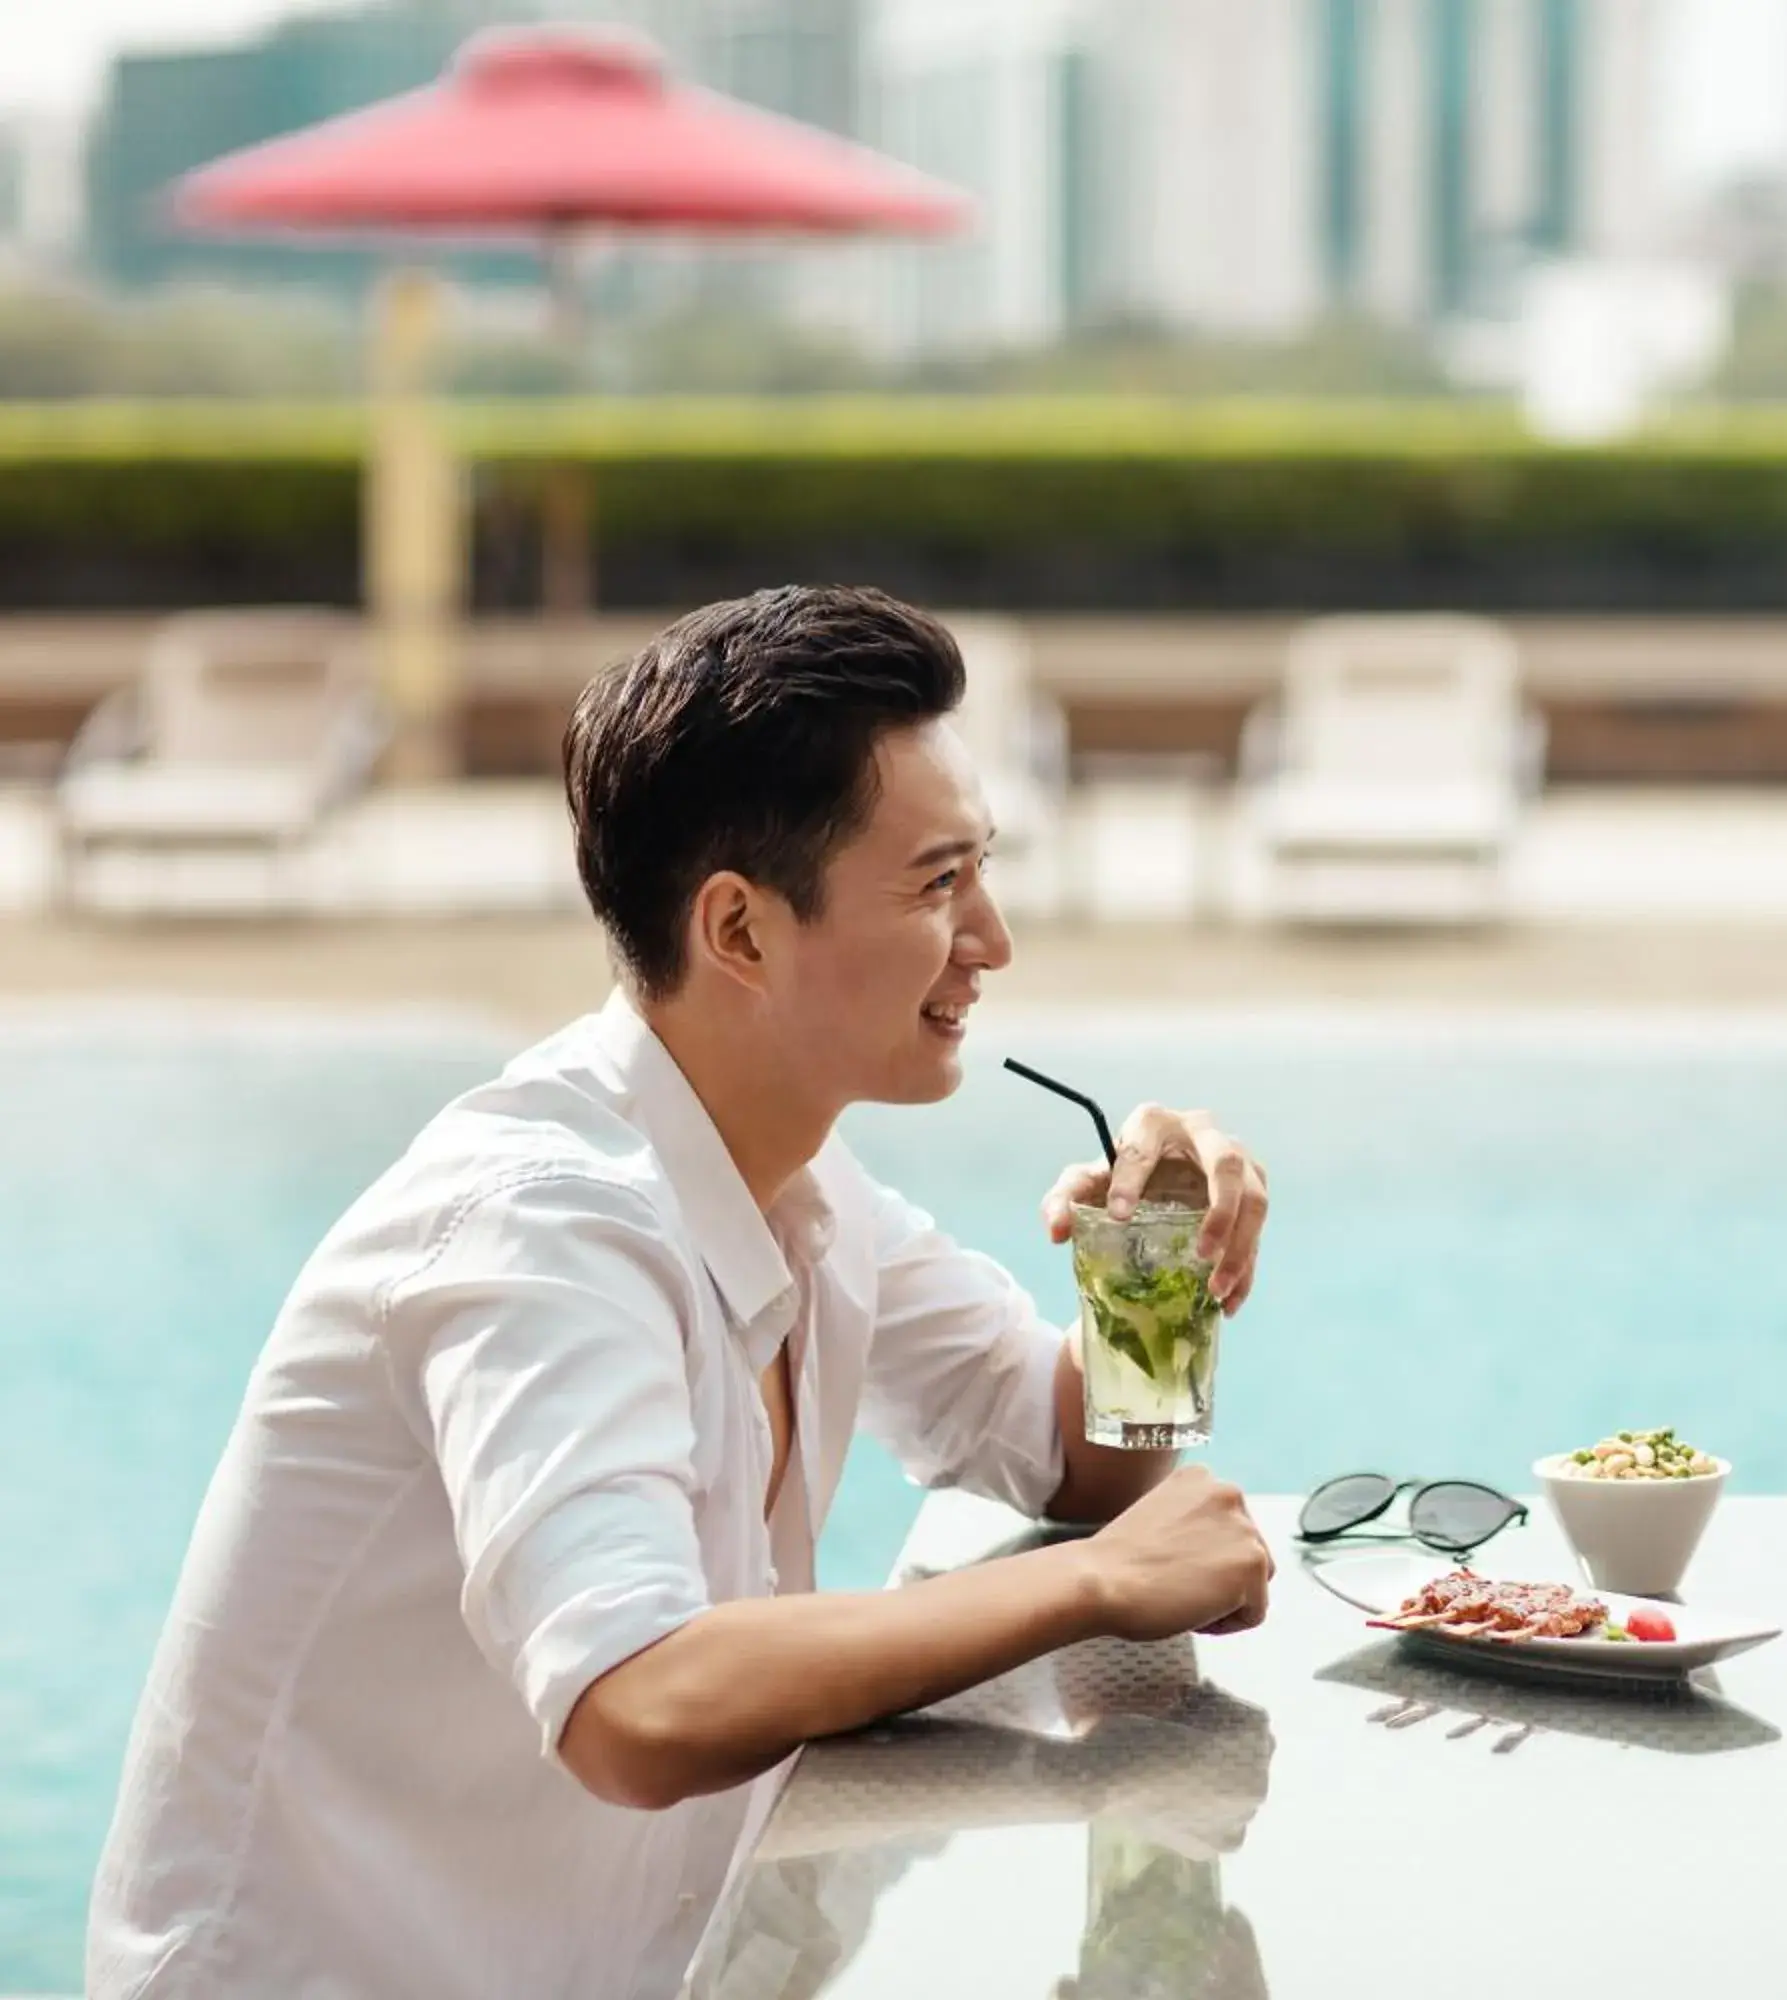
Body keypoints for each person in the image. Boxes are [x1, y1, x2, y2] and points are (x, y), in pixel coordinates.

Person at [89, 586, 1277, 2000]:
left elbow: (1086, 1458)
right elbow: (637, 1700)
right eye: (938, 883)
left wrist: (1154, 1270)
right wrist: (1090, 1592)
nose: (993, 941)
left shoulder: (804, 1194)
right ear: (740, 929)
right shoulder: (543, 1228)